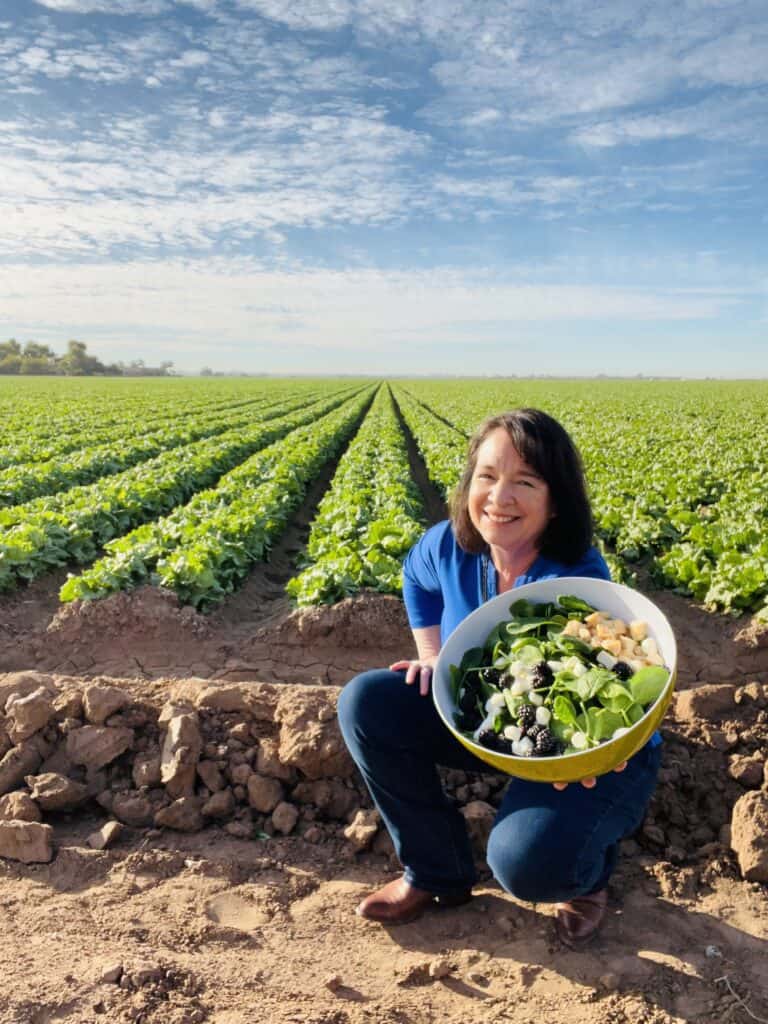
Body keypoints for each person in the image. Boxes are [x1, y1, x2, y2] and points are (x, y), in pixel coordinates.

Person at [337, 408, 662, 946]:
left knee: (526, 867)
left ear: (555, 501)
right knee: (368, 701)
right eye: (487, 476)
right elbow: (416, 580)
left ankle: (588, 877)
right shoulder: (448, 546)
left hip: (579, 741)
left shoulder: (575, 577)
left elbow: (607, 678)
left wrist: (603, 748)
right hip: (497, 721)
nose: (499, 497)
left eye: (525, 482)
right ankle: (434, 871)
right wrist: (431, 655)